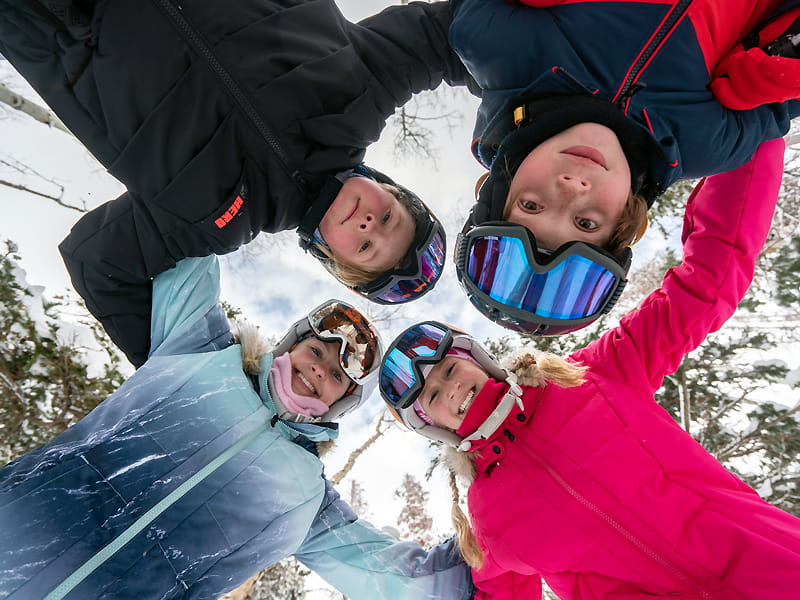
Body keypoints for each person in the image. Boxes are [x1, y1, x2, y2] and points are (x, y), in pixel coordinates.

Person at [379, 137, 800, 599]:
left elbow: (705, 287)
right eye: (434, 396)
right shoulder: (486, 521)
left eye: (450, 368)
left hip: (777, 569)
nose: (450, 387)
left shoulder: (591, 375)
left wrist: (754, 133)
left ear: (480, 362)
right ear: (433, 427)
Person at [0, 0, 478, 367]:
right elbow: (450, 35)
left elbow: (99, 262)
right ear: (388, 188)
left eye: (367, 247)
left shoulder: (215, 222)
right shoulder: (362, 91)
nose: (369, 224)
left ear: (333, 258)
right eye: (390, 217)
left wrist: (195, 382)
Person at [0, 255, 474, 600]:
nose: (318, 372)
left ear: (343, 403)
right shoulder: (202, 348)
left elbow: (396, 577)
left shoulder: (309, 503)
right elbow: (187, 235)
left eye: (336, 377)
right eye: (317, 352)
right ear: (290, 344)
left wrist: (497, 541)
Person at [448, 0, 800, 336]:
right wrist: (780, 70)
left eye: (531, 205)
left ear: (504, 182)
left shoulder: (505, 53)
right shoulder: (711, 144)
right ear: (623, 224)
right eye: (586, 224)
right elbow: (781, 103)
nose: (571, 188)